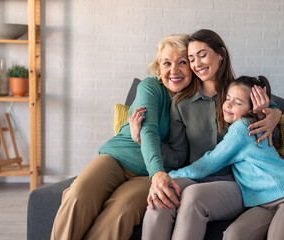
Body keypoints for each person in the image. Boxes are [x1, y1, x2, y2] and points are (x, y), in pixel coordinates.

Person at [129, 29, 282, 240]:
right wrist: (139, 139)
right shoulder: (181, 103)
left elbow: (273, 136)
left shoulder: (241, 92)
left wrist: (272, 114)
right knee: (161, 195)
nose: (197, 63)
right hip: (196, 177)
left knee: (193, 197)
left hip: (237, 182)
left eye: (202, 55)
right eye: (191, 59)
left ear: (221, 54)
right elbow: (177, 155)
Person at [50, 33, 198, 240]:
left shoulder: (194, 103)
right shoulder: (150, 87)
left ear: (192, 66)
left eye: (182, 62)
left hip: (148, 175)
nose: (174, 70)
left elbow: (178, 156)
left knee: (121, 212)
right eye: (167, 63)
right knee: (78, 194)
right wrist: (156, 168)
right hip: (118, 159)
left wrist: (143, 145)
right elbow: (148, 130)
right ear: (158, 68)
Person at [169, 75, 284, 240]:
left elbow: (209, 163)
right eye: (227, 98)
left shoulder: (243, 127)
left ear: (252, 110)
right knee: (234, 234)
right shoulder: (248, 125)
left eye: (238, 103)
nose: (228, 105)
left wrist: (169, 177)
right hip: (262, 203)